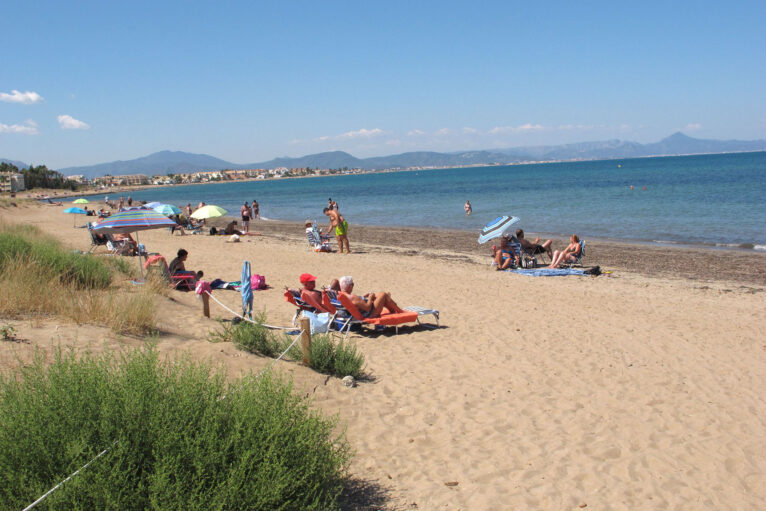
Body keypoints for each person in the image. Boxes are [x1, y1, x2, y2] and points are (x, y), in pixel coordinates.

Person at [338, 276, 404, 318]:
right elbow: (367, 308)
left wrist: (363, 297)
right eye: (352, 284)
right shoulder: (352, 297)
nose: (353, 286)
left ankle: (391, 305)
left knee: (379, 296)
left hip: (360, 311)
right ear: (349, 286)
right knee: (383, 294)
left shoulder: (341, 295)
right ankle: (400, 311)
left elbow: (356, 303)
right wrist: (370, 298)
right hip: (369, 314)